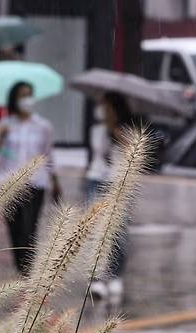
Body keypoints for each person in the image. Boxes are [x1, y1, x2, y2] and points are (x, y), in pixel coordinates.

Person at [0, 81, 61, 275]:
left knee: (29, 228)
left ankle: (29, 273)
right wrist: (0, 138)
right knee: (15, 230)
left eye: (30, 95)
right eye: (23, 95)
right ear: (14, 99)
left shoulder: (42, 126)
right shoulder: (5, 125)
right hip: (9, 183)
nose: (27, 100)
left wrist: (55, 180)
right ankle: (21, 271)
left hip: (36, 183)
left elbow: (48, 154)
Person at [86, 92, 134, 299]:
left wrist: (117, 132)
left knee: (118, 233)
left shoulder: (129, 131)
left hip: (119, 183)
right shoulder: (97, 130)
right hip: (97, 180)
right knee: (97, 231)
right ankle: (96, 278)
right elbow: (98, 151)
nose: (103, 110)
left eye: (107, 106)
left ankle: (116, 276)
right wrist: (107, 130)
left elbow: (132, 153)